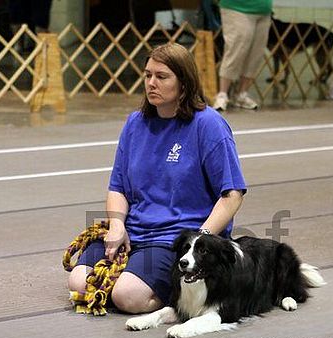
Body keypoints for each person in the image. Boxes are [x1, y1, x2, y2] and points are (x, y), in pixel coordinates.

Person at [67, 43, 247, 314]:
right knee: (79, 284)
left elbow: (231, 195)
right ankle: (137, 277)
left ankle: (179, 300)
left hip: (176, 238)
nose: (151, 83)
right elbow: (117, 188)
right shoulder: (135, 123)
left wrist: (200, 239)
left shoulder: (208, 124)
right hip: (133, 231)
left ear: (184, 83)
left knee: (127, 296)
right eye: (147, 75)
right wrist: (117, 225)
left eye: (161, 77)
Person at [212, 0, 272, 111]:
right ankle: (222, 94)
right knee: (236, 49)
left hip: (264, 10)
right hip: (236, 8)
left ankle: (241, 94)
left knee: (256, 54)